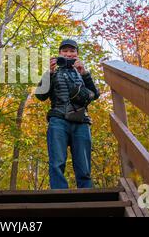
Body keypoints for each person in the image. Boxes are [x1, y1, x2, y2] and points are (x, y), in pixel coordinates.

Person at [35, 39, 100, 189]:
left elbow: (95, 94)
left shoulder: (83, 73)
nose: (68, 54)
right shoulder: (53, 73)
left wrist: (84, 73)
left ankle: (87, 200)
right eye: (65, 51)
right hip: (58, 120)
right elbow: (40, 95)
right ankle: (59, 198)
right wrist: (49, 72)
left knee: (84, 166)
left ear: (77, 54)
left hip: (81, 122)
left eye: (72, 51)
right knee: (57, 163)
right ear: (59, 54)